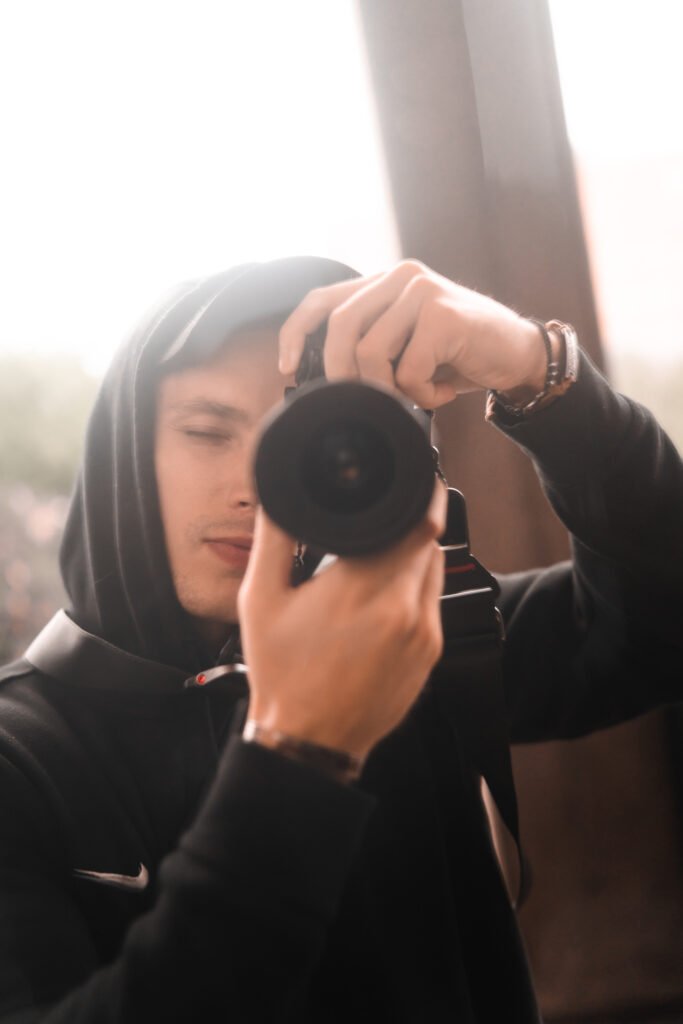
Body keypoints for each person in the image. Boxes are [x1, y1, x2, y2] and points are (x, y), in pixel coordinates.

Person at [0, 256, 680, 1022]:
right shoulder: (21, 757)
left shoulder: (401, 653)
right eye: (207, 432)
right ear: (121, 452)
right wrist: (302, 749)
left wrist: (535, 368)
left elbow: (660, 618)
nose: (253, 486)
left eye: (301, 442)